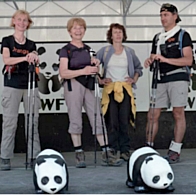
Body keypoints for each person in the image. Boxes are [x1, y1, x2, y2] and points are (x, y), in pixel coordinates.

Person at [59, 17, 123, 168]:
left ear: (84, 30)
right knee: (75, 119)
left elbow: (94, 71)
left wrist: (96, 68)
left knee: (97, 117)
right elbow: (63, 72)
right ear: (69, 31)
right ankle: (79, 153)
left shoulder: (88, 49)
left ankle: (106, 153)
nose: (78, 30)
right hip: (73, 85)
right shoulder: (65, 50)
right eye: (75, 28)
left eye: (81, 28)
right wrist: (84, 70)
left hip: (89, 85)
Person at [144, 3, 193, 163]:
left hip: (178, 77)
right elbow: (153, 56)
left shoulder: (183, 35)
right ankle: (148, 147)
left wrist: (165, 59)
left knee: (178, 113)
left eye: (166, 15)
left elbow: (188, 60)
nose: (163, 18)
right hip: (160, 78)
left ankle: (175, 149)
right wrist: (150, 60)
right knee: (152, 114)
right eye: (161, 15)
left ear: (175, 15)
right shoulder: (158, 37)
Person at [0, 10, 41, 170]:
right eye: (19, 20)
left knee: (32, 121)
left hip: (30, 84)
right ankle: (5, 157)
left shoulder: (31, 44)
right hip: (12, 85)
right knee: (10, 122)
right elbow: (7, 59)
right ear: (14, 21)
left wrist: (35, 57)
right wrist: (25, 57)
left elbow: (35, 57)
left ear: (28, 23)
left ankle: (34, 156)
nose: (22, 23)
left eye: (25, 20)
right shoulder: (7, 41)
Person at [96, 23, 143, 161]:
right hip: (109, 90)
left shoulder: (129, 52)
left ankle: (125, 150)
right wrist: (100, 80)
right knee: (112, 121)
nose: (118, 35)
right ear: (110, 35)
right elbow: (93, 66)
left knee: (124, 120)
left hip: (124, 89)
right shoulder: (104, 51)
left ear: (124, 35)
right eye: (115, 32)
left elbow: (139, 68)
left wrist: (133, 79)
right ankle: (112, 149)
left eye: (120, 32)